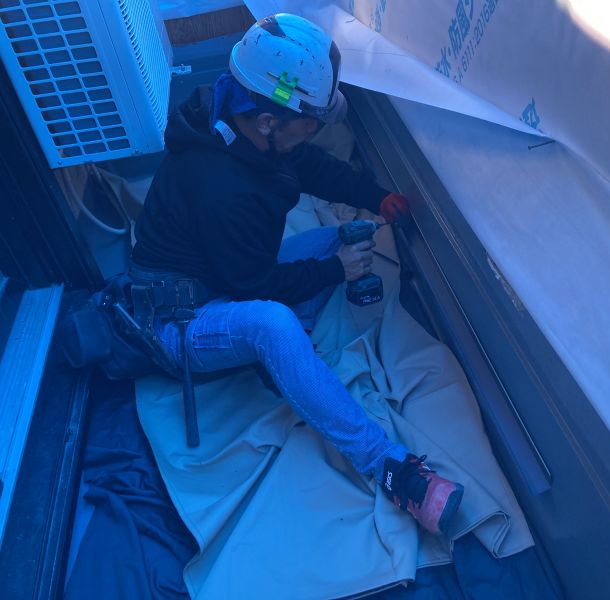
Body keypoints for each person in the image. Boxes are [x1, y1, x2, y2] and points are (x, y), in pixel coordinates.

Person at [130, 13, 463, 536]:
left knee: (339, 237)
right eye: (312, 121)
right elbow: (253, 288)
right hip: (178, 321)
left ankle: (289, 363)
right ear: (269, 121)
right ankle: (390, 467)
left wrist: (376, 197)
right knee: (273, 325)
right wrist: (333, 271)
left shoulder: (238, 120)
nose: (318, 128)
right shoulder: (220, 189)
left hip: (222, 275)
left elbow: (307, 166)